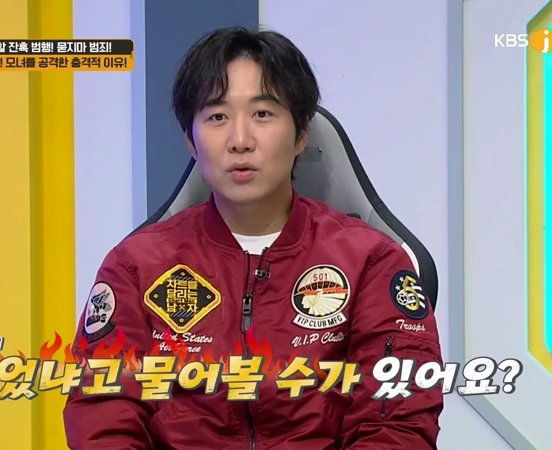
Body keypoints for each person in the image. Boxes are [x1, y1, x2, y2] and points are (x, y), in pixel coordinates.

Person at [64, 26, 444, 449]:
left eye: (262, 114)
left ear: (301, 133)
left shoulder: (372, 261)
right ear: (190, 140)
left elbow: (399, 419)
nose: (240, 141)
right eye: (217, 117)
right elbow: (103, 410)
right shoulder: (135, 266)